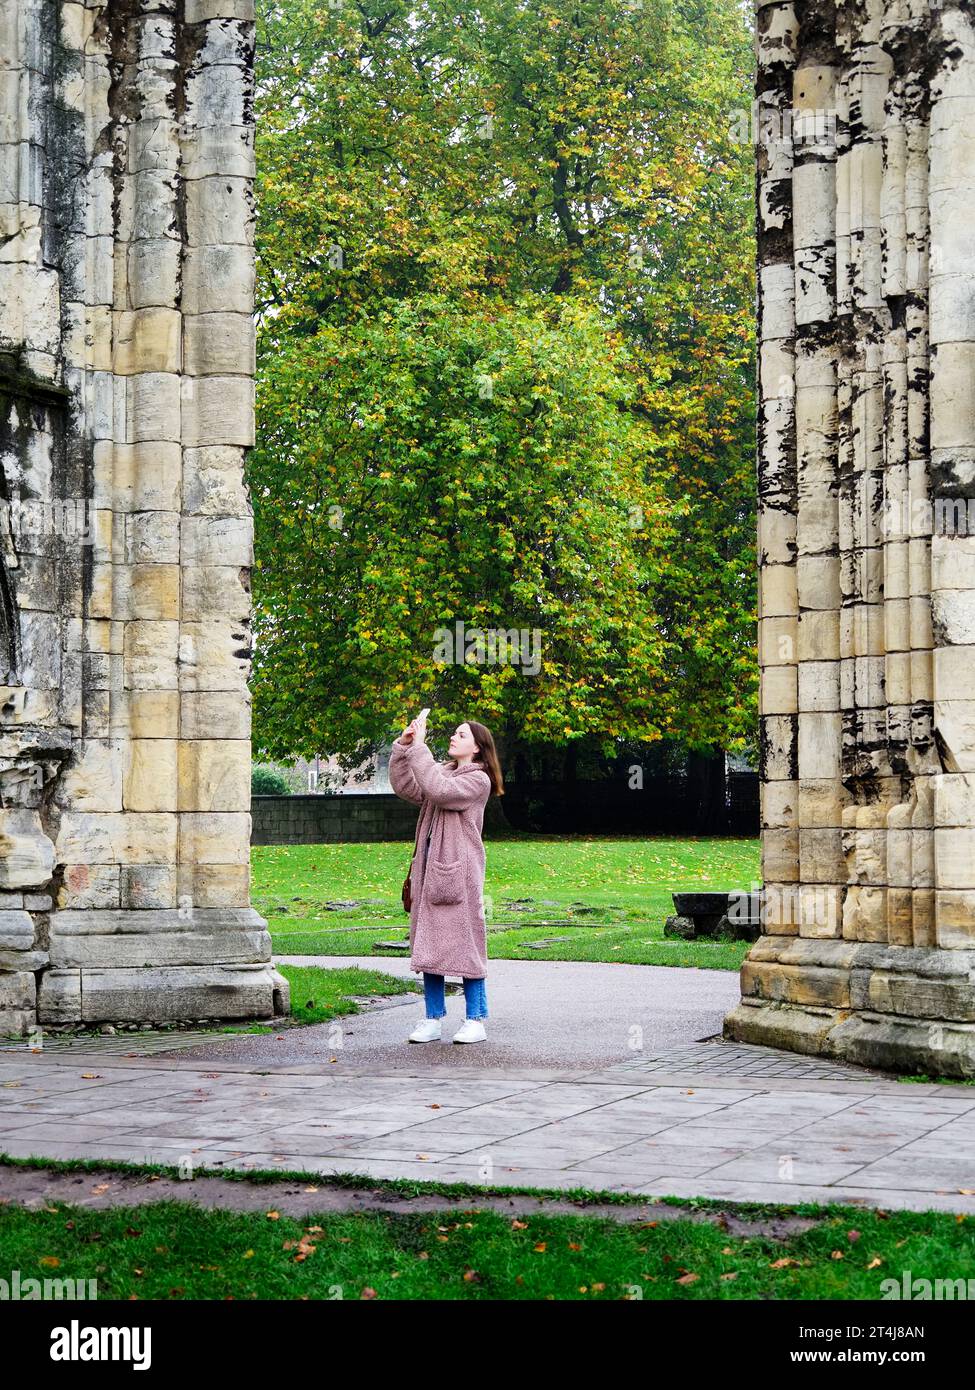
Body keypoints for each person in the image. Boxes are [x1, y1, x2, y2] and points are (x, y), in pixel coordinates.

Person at [389, 713, 503, 1043]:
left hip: (460, 876)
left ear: (478, 749)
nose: (453, 737)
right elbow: (408, 786)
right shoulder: (442, 772)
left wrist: (421, 748)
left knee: (467, 945)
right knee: (430, 946)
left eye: (461, 735)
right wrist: (405, 747)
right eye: (455, 733)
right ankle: (432, 1018)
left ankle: (476, 1019)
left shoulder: (478, 780)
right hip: (431, 873)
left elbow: (439, 791)